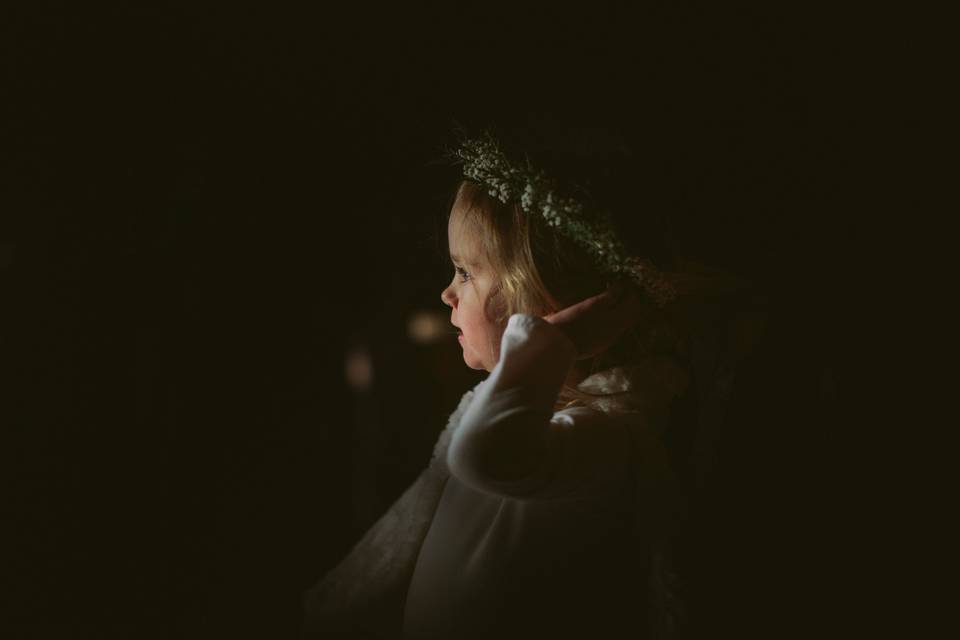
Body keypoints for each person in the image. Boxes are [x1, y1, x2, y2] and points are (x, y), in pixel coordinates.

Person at [302, 129, 748, 640]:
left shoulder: (605, 435)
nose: (447, 293)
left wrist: (549, 345)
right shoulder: (535, 413)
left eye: (467, 273)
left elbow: (480, 454)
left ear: (552, 306)